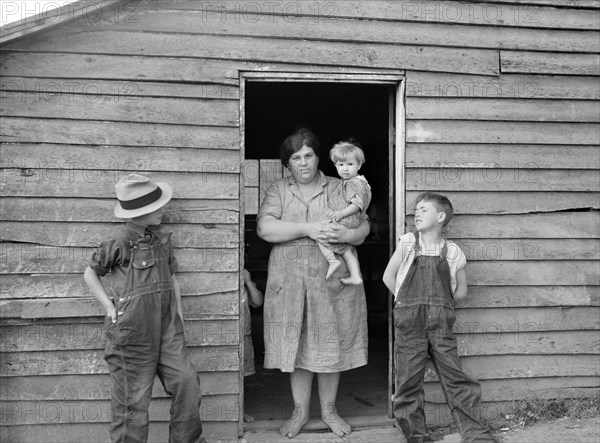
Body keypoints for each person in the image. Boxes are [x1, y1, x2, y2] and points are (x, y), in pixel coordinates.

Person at [257, 128, 370, 439]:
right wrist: (308, 228)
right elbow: (266, 228)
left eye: (308, 156)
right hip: (290, 281)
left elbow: (362, 224)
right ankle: (300, 413)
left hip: (330, 280)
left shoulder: (340, 185)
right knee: (297, 347)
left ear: (319, 158)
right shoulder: (278, 189)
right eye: (296, 158)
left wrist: (347, 235)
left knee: (329, 346)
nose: (303, 163)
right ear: (287, 163)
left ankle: (330, 411)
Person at [83, 174, 205, 443]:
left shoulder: (162, 241)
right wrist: (109, 307)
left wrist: (179, 321)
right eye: (158, 207)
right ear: (141, 211)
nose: (163, 211)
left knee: (187, 384)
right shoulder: (118, 241)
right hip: (132, 334)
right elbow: (91, 274)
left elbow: (173, 282)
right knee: (132, 403)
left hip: (168, 329)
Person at [383, 192, 495, 443]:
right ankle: (417, 438)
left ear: (441, 216)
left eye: (423, 209)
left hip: (441, 325)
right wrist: (405, 302)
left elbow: (461, 292)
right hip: (409, 323)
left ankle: (476, 436)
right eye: (416, 210)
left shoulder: (453, 251)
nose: (417, 213)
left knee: (456, 381)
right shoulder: (408, 243)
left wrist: (441, 302)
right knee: (407, 384)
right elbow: (388, 277)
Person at [320, 139, 372, 284]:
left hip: (348, 218)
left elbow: (357, 204)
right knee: (347, 249)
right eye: (341, 165)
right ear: (335, 165)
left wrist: (341, 214)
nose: (345, 169)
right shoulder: (358, 182)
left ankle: (332, 261)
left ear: (359, 165)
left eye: (350, 164)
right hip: (353, 220)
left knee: (320, 235)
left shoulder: (354, 182)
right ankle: (355, 275)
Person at [241, 267, 264, 422]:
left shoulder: (244, 284)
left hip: (243, 338)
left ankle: (239, 411)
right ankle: (235, 412)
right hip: (227, 338)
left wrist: (248, 282)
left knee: (240, 379)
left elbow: (258, 302)